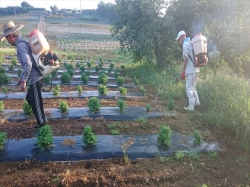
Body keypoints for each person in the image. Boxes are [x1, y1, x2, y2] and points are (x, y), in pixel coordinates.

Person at [0, 21, 47, 128]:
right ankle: (42, 119)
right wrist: (21, 79)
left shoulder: (20, 46)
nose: (7, 41)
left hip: (36, 78)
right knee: (30, 98)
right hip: (35, 77)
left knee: (35, 102)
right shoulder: (22, 44)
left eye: (7, 38)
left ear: (11, 36)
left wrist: (24, 80)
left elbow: (28, 64)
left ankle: (42, 125)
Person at [175, 30, 200, 111]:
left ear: (182, 37)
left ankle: (191, 107)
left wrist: (183, 71)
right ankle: (196, 102)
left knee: (189, 88)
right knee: (193, 87)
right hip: (196, 69)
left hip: (190, 70)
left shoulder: (185, 44)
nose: (179, 42)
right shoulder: (191, 43)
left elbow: (186, 58)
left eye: (179, 39)